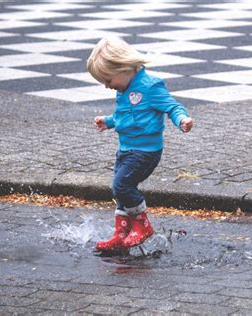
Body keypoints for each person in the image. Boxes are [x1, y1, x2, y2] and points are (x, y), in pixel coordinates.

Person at [87, 36, 193, 253]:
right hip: (125, 150)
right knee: (121, 191)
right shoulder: (123, 89)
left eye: (108, 80)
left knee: (121, 186)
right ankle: (121, 233)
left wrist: (182, 119)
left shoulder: (150, 86)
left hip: (145, 152)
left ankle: (143, 226)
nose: (107, 87)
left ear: (124, 68)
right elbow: (125, 116)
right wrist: (108, 122)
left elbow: (172, 106)